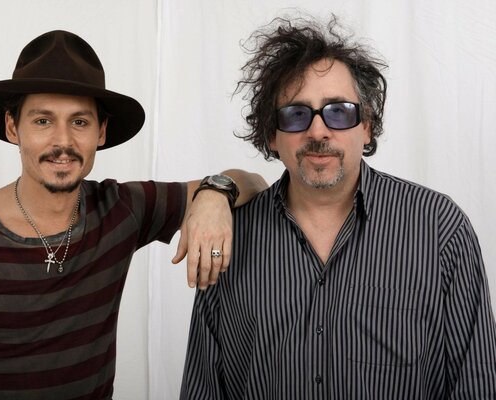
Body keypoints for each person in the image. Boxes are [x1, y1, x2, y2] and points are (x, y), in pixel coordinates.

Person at [0, 30, 266, 400]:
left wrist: (215, 194)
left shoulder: (121, 208)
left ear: (101, 132)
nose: (63, 142)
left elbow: (253, 182)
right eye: (43, 121)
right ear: (12, 127)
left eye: (79, 122)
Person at [181, 15, 496, 399]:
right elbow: (203, 388)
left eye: (339, 111)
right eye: (296, 114)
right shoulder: (226, 236)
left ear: (366, 126)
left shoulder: (439, 228)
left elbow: (476, 382)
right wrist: (214, 193)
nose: (318, 131)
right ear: (271, 135)